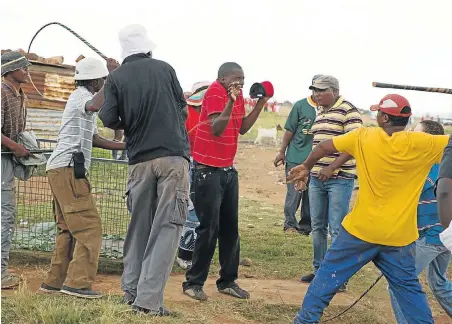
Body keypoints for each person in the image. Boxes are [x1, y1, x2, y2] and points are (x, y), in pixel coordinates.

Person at [287, 94, 450, 323]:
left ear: (384, 118)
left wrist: (306, 165)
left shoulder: (364, 136)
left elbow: (324, 146)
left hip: (360, 232)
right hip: (399, 238)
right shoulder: (426, 144)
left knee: (325, 280)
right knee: (410, 293)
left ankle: (305, 320)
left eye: (378, 113)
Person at [98, 24, 189, 316]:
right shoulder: (165, 69)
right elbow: (183, 110)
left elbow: (108, 117)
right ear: (148, 47)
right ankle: (148, 303)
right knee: (166, 229)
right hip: (172, 159)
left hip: (138, 161)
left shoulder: (116, 78)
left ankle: (131, 292)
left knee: (138, 229)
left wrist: (134, 121)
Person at [182, 62, 270, 301]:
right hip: (207, 170)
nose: (240, 82)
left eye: (243, 78)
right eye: (236, 77)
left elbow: (242, 128)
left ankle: (228, 281)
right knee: (208, 228)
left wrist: (260, 103)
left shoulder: (238, 96)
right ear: (222, 78)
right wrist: (230, 101)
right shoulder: (214, 93)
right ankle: (193, 282)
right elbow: (218, 128)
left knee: (230, 228)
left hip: (227, 169)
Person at [38, 57, 123, 298]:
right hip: (68, 171)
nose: (104, 83)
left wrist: (124, 144)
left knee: (67, 229)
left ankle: (54, 282)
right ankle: (77, 284)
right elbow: (95, 106)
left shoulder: (81, 100)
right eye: (103, 79)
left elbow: (94, 138)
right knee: (90, 228)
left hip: (59, 170)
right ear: (95, 79)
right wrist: (114, 78)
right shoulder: (81, 97)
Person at [299, 75, 362, 291]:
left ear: (334, 91)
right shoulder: (321, 112)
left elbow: (354, 145)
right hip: (317, 177)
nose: (316, 94)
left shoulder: (348, 111)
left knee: (336, 228)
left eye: (321, 90)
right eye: (314, 90)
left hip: (339, 178)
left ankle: (338, 277)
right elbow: (317, 145)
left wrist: (333, 166)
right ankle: (320, 270)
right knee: (317, 226)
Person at [389, 120, 452, 321]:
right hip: (442, 234)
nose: (408, 134)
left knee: (399, 282)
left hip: (432, 236)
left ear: (425, 139)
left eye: (413, 132)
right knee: (438, 283)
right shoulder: (443, 161)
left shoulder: (429, 165)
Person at [274, 74, 321, 235]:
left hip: (316, 161)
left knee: (311, 196)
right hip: (296, 157)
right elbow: (289, 130)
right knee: (294, 194)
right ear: (313, 89)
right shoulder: (300, 106)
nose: (319, 93)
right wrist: (282, 152)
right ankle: (290, 225)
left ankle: (306, 227)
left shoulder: (328, 108)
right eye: (317, 89)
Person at [1, 51, 32, 289]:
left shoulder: (20, 95)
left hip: (8, 161)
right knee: (5, 214)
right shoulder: (1, 92)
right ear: (10, 70)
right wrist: (15, 147)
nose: (27, 71)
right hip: (2, 160)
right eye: (23, 67)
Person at [176, 80, 211, 270]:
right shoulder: (191, 112)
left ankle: (187, 252)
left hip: (192, 162)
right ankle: (186, 255)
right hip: (193, 163)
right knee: (193, 211)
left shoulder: (185, 111)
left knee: (193, 210)